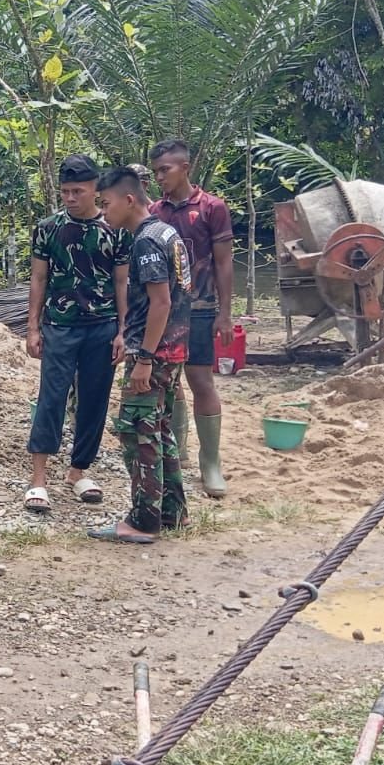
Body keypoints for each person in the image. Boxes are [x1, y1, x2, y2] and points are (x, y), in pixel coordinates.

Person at [89, 167, 192, 543]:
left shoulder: (146, 241)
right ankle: (172, 511)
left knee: (137, 431)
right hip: (174, 348)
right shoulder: (167, 232)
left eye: (106, 204)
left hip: (154, 351)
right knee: (159, 428)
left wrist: (144, 358)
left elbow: (161, 302)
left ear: (129, 200)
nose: (103, 213)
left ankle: (143, 520)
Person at [23, 155, 129, 512]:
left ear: (95, 189)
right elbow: (39, 278)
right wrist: (33, 328)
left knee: (95, 400)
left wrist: (124, 330)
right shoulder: (48, 228)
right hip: (60, 325)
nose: (70, 198)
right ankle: (38, 479)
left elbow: (122, 282)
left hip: (102, 326)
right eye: (65, 191)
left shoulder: (115, 229)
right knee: (51, 398)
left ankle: (78, 471)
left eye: (78, 191)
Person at [150, 139, 233, 498]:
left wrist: (225, 313)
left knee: (201, 380)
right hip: (164, 310)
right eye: (155, 171)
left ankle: (210, 462)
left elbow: (224, 262)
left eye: (165, 170)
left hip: (200, 308)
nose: (159, 177)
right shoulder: (154, 211)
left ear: (185, 168)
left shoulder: (212, 207)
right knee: (169, 380)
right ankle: (178, 449)